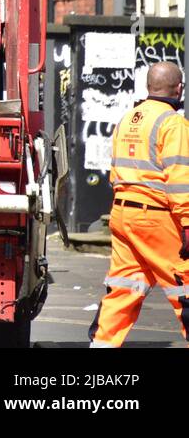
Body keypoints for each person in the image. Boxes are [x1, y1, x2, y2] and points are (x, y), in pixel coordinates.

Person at [90, 61, 189, 348]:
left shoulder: (128, 118)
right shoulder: (173, 123)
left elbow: (115, 171)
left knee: (125, 285)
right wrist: (187, 222)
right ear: (178, 88)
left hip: (123, 213)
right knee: (185, 282)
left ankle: (102, 345)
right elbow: (180, 178)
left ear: (148, 87)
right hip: (155, 216)